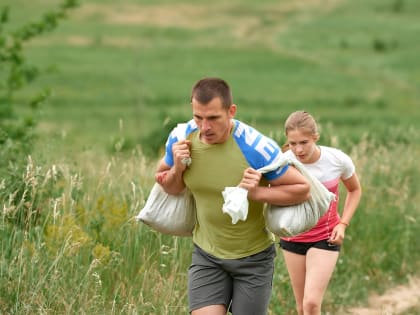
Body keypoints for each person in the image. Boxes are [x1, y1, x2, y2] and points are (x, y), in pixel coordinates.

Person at [154, 77, 311, 315]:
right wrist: (177, 167)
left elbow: (302, 188)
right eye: (198, 117)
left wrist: (257, 192)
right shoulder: (182, 138)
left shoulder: (255, 147)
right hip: (208, 255)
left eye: (213, 118)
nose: (204, 127)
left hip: (253, 259)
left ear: (231, 111)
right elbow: (170, 186)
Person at [279, 110, 362, 315]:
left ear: (316, 137)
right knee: (301, 308)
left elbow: (355, 190)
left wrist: (343, 224)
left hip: (326, 237)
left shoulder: (337, 160)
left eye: (304, 142)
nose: (298, 149)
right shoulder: (282, 162)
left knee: (311, 304)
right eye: (292, 143)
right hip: (292, 237)